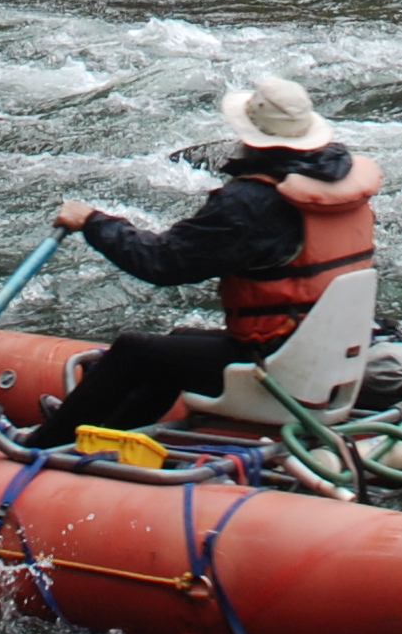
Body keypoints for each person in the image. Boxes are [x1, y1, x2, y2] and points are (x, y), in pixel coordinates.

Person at [30, 74, 381, 448]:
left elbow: (161, 262)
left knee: (135, 350)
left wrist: (93, 222)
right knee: (177, 344)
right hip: (332, 355)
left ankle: (44, 445)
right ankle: (108, 438)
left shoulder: (250, 203)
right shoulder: (342, 189)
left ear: (253, 137)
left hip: (279, 366)